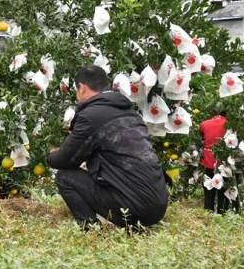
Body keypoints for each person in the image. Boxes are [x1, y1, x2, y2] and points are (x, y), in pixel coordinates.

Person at [47, 66, 169, 228]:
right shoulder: (131, 113)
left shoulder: (92, 115)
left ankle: (91, 229)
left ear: (82, 88)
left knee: (65, 177)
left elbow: (64, 160)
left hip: (134, 209)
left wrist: (53, 154)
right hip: (158, 207)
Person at [198, 109, 232, 213]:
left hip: (208, 161)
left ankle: (208, 214)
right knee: (223, 191)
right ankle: (222, 214)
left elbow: (200, 136)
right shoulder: (229, 125)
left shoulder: (204, 124)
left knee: (209, 189)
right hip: (224, 163)